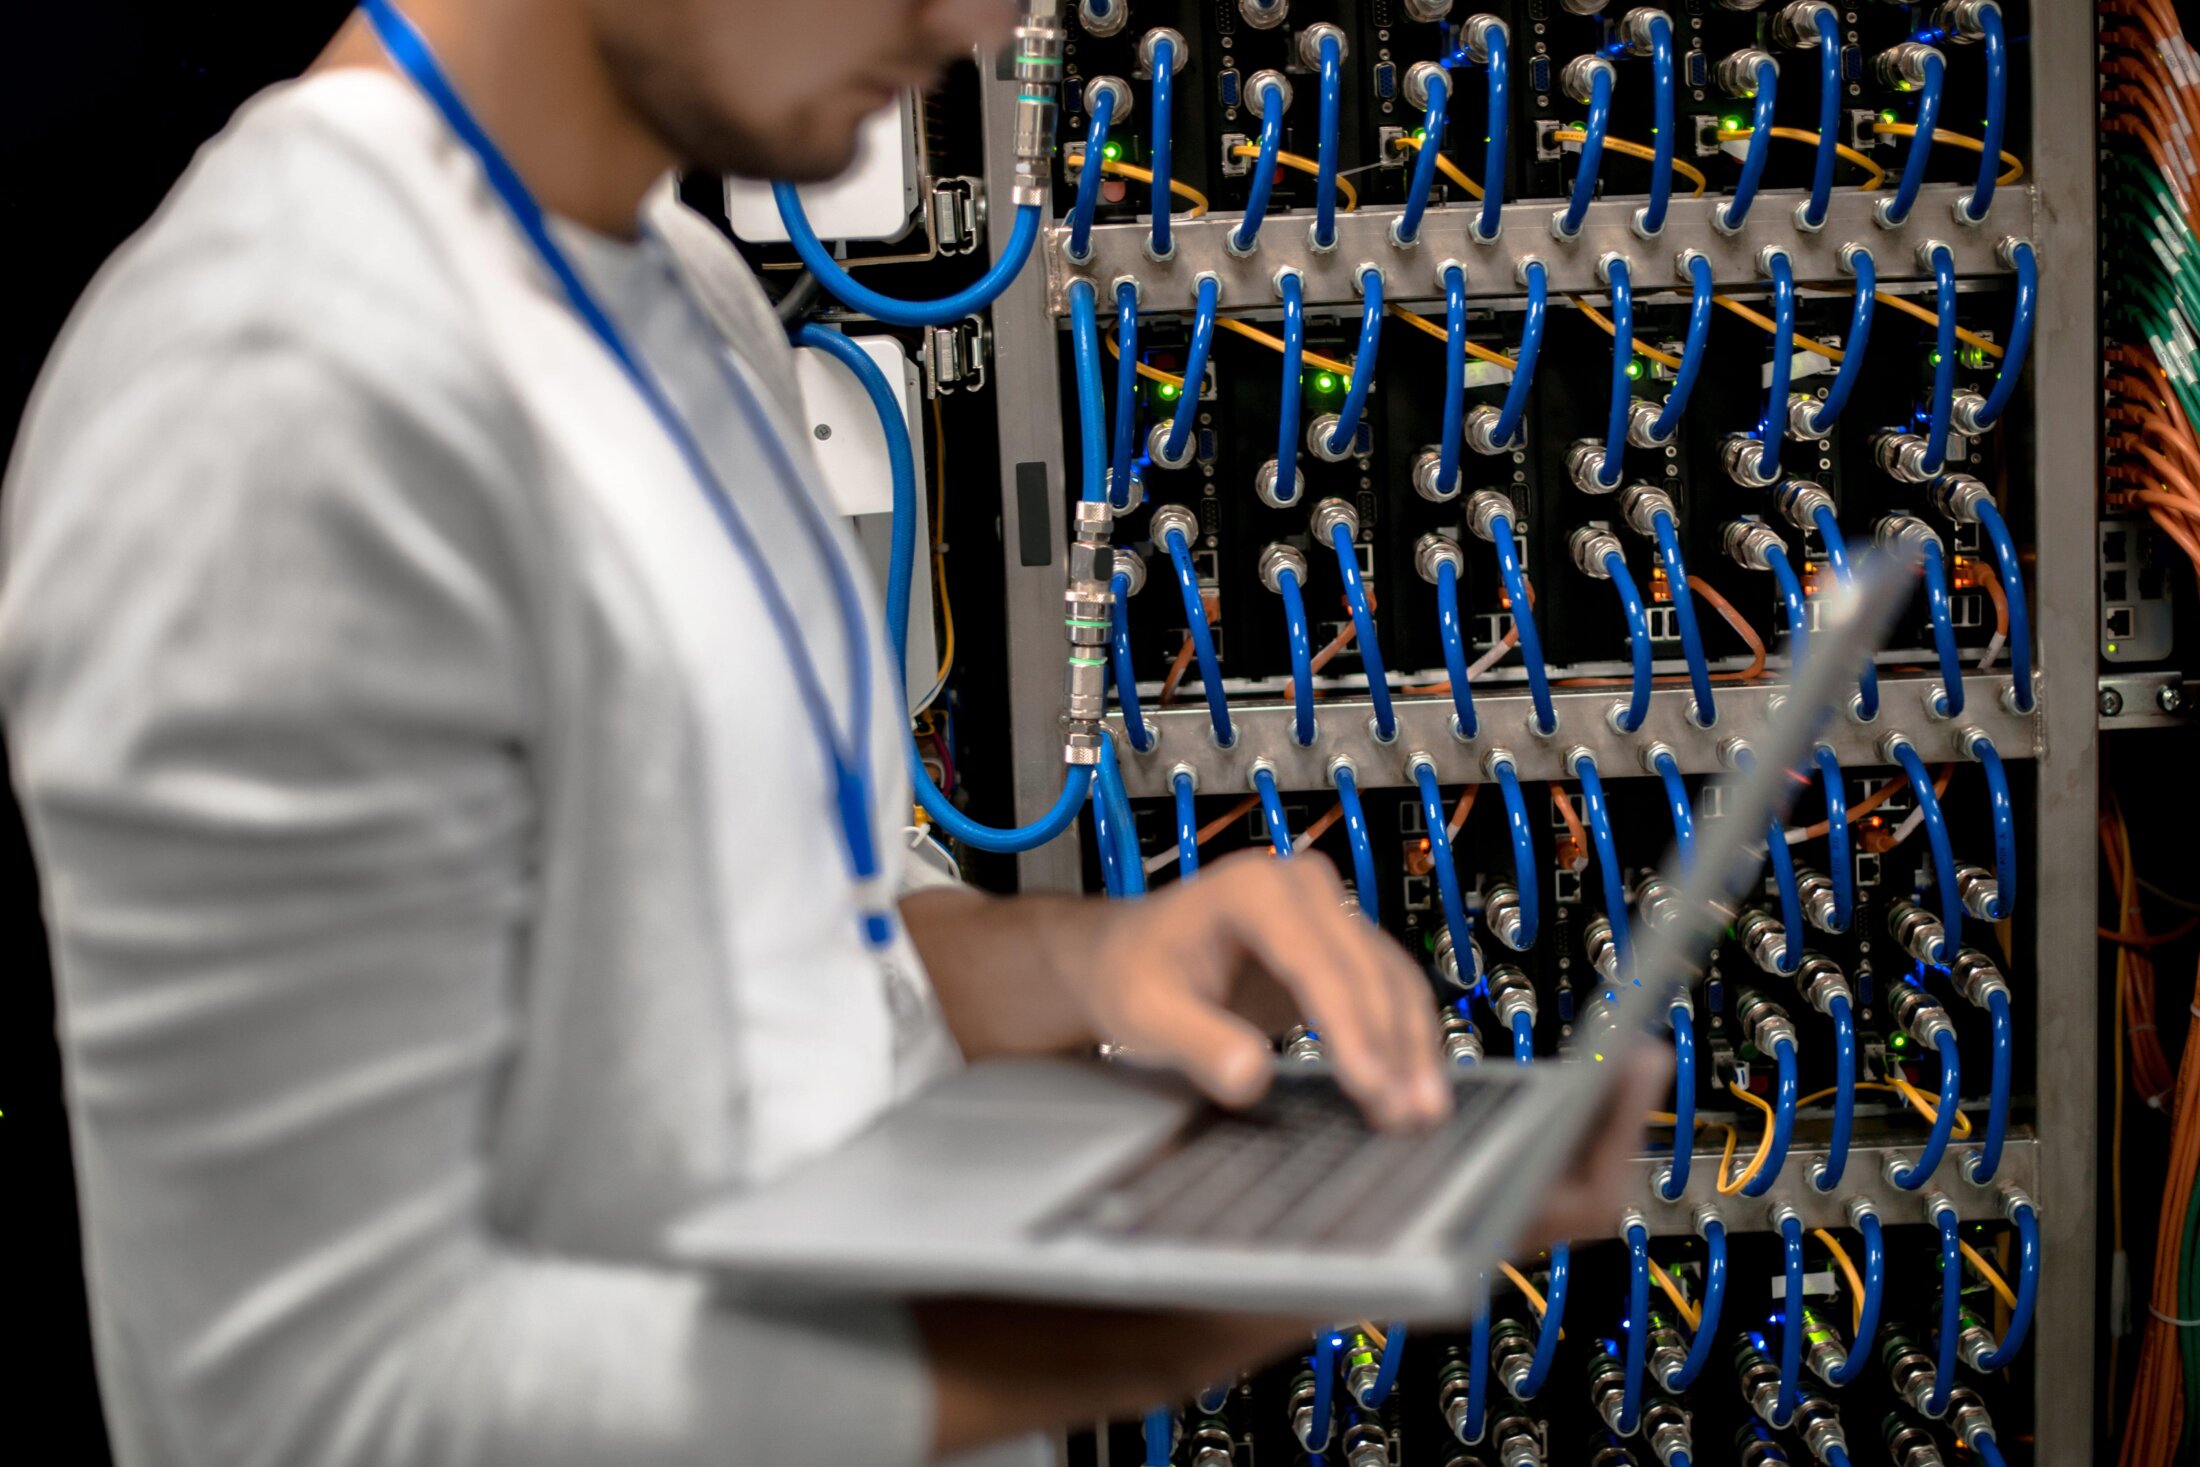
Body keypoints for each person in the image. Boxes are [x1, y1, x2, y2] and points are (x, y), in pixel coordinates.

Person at [0, 1, 1665, 1462]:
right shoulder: (278, 393)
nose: (968, 22)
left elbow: (783, 966)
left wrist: (1091, 968)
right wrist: (1158, 1328)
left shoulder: (691, 297)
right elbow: (313, 1415)